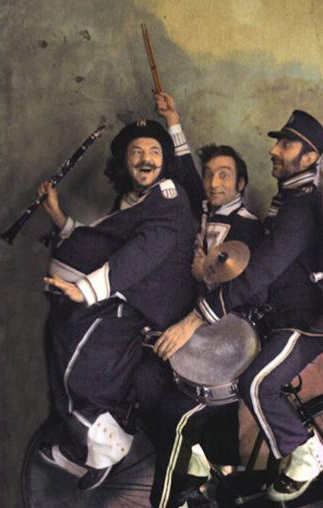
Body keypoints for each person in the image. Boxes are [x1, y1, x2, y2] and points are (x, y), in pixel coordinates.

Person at [154, 109, 323, 502]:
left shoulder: (300, 208)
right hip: (280, 319)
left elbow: (261, 273)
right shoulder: (289, 198)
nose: (273, 150)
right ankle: (208, 463)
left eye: (285, 144)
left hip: (304, 323)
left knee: (255, 384)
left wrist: (196, 319)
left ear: (308, 157)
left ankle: (307, 451)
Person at [34, 119, 200, 490]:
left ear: (165, 160)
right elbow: (105, 242)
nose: (146, 159)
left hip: (149, 310)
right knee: (62, 337)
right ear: (124, 161)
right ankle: (95, 443)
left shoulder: (169, 198)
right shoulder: (136, 201)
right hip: (129, 299)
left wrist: (85, 290)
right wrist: (58, 217)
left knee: (73, 354)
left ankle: (102, 439)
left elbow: (142, 254)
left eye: (154, 152)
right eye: (136, 152)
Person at [140, 94, 266, 507]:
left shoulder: (248, 228)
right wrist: (173, 120)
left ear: (241, 184)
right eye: (210, 175)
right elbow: (186, 173)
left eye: (224, 176)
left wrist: (203, 273)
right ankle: (215, 475)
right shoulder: (206, 209)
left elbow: (245, 287)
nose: (214, 183)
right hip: (201, 329)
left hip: (230, 333)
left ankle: (209, 476)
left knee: (193, 411)